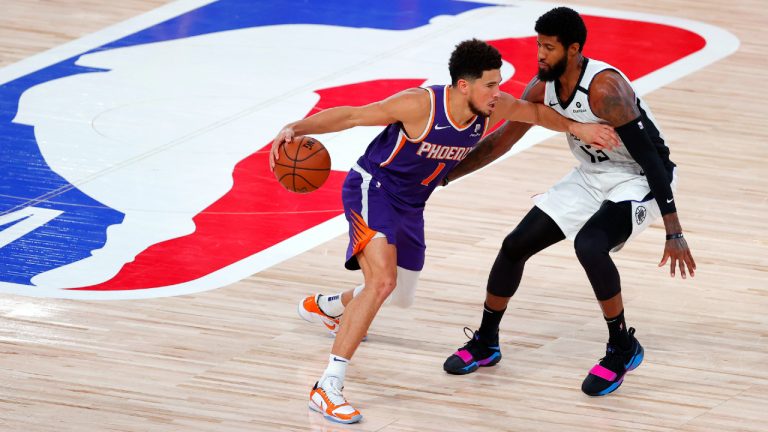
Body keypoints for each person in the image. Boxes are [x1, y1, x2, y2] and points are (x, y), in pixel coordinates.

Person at [270, 38, 617, 424]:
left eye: (499, 84)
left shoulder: (490, 106)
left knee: (398, 294)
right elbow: (353, 115)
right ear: (463, 85)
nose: (497, 92)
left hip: (412, 204)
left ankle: (332, 308)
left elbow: (534, 113)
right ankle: (327, 386)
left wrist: (578, 127)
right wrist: (296, 127)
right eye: (490, 85)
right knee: (382, 282)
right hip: (374, 188)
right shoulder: (420, 105)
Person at [440, 8, 696, 397]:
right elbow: (501, 141)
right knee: (514, 245)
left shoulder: (605, 89)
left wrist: (673, 231)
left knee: (590, 245)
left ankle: (622, 346)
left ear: (573, 49)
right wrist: (444, 175)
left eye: (549, 48)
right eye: (538, 45)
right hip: (591, 175)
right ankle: (487, 342)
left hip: (639, 177)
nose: (540, 55)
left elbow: (652, 158)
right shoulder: (541, 89)